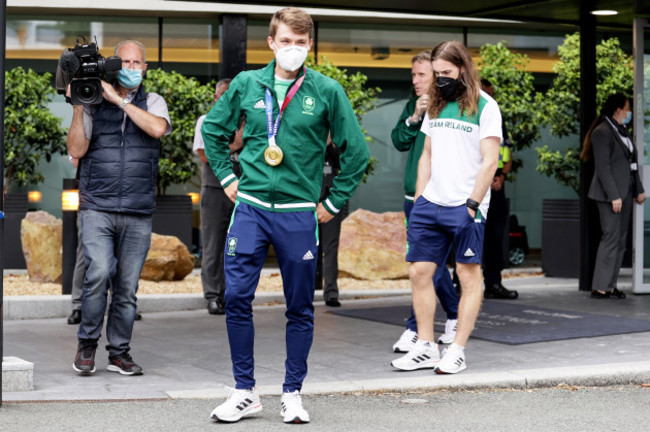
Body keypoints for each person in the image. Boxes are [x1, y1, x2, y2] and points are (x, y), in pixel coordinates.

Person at [201, 7, 369, 424]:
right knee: (237, 298)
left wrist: (332, 203)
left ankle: (292, 392)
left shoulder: (327, 90)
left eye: (301, 42)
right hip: (251, 208)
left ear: (309, 45)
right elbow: (212, 131)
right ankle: (244, 391)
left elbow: (357, 153)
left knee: (299, 306)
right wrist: (226, 177)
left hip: (297, 214)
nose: (293, 49)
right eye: (286, 41)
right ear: (271, 43)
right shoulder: (246, 83)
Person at [391, 41, 502, 374]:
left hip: (466, 206)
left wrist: (471, 206)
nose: (440, 80)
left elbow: (490, 161)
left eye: (446, 73)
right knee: (419, 272)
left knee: (468, 276)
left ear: (463, 69)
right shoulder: (437, 105)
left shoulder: (486, 106)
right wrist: (422, 197)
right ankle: (426, 345)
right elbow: (426, 153)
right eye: (436, 74)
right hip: (430, 204)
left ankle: (457, 349)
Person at [67, 40, 172, 377]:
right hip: (97, 205)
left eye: (136, 61)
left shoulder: (153, 101)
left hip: (138, 210)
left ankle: (119, 354)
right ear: (113, 64)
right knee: (97, 273)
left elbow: (156, 129)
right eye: (124, 60)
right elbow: (76, 149)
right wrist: (80, 105)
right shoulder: (95, 103)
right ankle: (86, 344)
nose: (130, 66)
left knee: (127, 288)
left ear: (144, 67)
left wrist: (120, 99)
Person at [390, 50, 459, 353]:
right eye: (413, 76)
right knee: (427, 264)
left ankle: (417, 328)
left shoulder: (453, 107)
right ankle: (451, 316)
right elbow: (398, 140)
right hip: (414, 199)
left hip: (443, 197)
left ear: (438, 75)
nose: (415, 81)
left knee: (428, 264)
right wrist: (416, 116)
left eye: (421, 75)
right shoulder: (412, 104)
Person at [580, 93, 645, 299]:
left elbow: (631, 165)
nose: (629, 112)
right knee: (610, 237)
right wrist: (613, 195)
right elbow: (603, 167)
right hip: (610, 195)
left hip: (625, 192)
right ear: (618, 110)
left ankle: (610, 284)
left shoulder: (622, 131)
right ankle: (600, 286)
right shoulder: (602, 132)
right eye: (627, 108)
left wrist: (639, 189)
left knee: (620, 240)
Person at [192, 79, 244, 315]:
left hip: (245, 192)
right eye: (222, 95)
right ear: (215, 98)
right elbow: (205, 156)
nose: (227, 99)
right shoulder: (207, 121)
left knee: (240, 246)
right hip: (215, 190)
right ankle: (213, 295)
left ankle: (233, 294)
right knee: (213, 245)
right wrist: (236, 143)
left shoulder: (248, 121)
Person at [479, 79, 518, 300]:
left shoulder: (497, 119)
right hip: (472, 188)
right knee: (469, 236)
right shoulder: (467, 117)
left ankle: (493, 283)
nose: (491, 99)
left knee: (495, 237)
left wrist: (501, 176)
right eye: (487, 94)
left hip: (495, 188)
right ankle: (460, 284)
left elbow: (506, 154)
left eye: (493, 95)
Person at [319, 138, 348, 307]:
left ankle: (331, 292)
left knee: (331, 246)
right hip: (311, 195)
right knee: (308, 246)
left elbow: (344, 163)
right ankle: (306, 289)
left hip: (331, 197)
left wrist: (331, 143)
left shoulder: (337, 139)